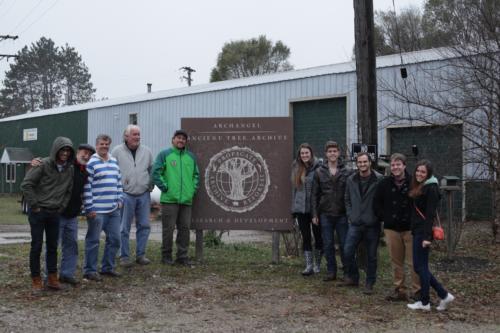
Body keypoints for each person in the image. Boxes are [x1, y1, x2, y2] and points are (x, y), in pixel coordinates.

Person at [21, 137, 75, 293]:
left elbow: (68, 190)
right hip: (38, 212)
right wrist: (35, 206)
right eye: (62, 150)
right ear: (56, 150)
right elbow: (26, 185)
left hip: (55, 213)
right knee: (36, 246)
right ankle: (36, 280)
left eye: (68, 151)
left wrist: (61, 207)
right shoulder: (43, 164)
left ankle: (52, 279)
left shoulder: (69, 169)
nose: (65, 153)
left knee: (52, 247)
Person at [407, 160, 455, 311]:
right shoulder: (422, 186)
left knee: (421, 267)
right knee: (420, 267)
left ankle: (425, 302)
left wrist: (428, 238)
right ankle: (444, 295)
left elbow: (430, 215)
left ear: (428, 174)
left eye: (423, 172)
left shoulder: (431, 188)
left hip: (423, 232)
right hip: (418, 230)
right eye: (418, 171)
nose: (419, 174)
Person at [374, 153, 420, 301]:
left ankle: (417, 291)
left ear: (404, 166)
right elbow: (376, 203)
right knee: (396, 262)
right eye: (393, 165)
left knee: (414, 262)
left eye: (398, 164)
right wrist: (384, 217)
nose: (395, 167)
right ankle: (399, 290)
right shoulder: (384, 183)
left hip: (410, 228)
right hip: (392, 228)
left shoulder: (414, 182)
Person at [152, 129, 199, 266]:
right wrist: (165, 188)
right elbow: (155, 173)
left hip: (186, 200)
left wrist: (192, 190)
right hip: (169, 200)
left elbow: (196, 176)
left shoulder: (191, 157)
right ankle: (166, 257)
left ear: (186, 141)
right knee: (168, 229)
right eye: (178, 138)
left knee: (184, 229)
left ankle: (182, 256)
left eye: (183, 139)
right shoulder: (164, 154)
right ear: (173, 140)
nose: (181, 140)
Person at [83, 134, 123, 281]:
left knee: (115, 240)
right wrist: (89, 207)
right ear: (96, 145)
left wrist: (120, 199)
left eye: (107, 144)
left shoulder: (114, 161)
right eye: (102, 144)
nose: (104, 146)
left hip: (113, 209)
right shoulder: (91, 163)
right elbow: (87, 187)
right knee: (93, 241)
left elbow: (119, 181)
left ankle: (107, 267)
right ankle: (90, 270)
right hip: (96, 211)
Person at [112, 125, 154, 267]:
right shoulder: (117, 151)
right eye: (134, 134)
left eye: (138, 134)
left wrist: (151, 184)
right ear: (126, 136)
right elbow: (113, 172)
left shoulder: (147, 151)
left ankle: (141, 255)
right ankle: (124, 256)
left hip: (143, 194)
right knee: (124, 227)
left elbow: (151, 169)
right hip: (125, 194)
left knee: (144, 225)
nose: (137, 137)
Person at [341, 152, 382, 295]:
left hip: (372, 223)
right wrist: (350, 215)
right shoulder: (351, 179)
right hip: (355, 223)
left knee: (371, 255)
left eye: (365, 162)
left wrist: (377, 216)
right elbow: (346, 199)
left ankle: (370, 283)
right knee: (347, 251)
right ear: (356, 163)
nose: (362, 164)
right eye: (360, 162)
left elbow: (383, 201)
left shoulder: (379, 179)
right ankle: (353, 277)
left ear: (370, 163)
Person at [311, 141, 351, 281]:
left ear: (338, 153)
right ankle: (331, 271)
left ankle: (347, 272)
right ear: (326, 154)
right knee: (327, 244)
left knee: (345, 244)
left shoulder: (346, 171)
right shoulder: (319, 172)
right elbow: (314, 195)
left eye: (335, 151)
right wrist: (315, 214)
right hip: (325, 214)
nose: (332, 153)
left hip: (342, 214)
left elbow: (350, 194)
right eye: (330, 151)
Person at [291, 143, 322, 276]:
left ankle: (317, 264)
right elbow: (293, 189)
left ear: (311, 153)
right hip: (301, 208)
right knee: (306, 237)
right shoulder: (296, 167)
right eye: (302, 153)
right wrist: (293, 208)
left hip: (315, 209)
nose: (304, 155)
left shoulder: (319, 167)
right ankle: (308, 265)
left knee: (318, 237)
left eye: (306, 153)